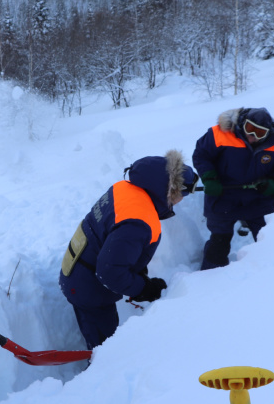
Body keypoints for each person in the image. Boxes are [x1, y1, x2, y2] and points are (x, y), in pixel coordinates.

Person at [59, 150, 198, 350]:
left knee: (97, 336)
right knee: (106, 350)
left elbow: (112, 239)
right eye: (183, 194)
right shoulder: (139, 221)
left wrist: (137, 272)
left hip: (76, 268)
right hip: (88, 289)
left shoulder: (124, 189)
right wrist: (143, 288)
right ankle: (99, 377)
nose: (182, 200)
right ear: (171, 191)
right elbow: (109, 272)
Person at [192, 107, 274, 270]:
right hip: (222, 196)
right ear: (242, 124)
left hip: (258, 199)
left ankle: (273, 273)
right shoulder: (220, 133)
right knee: (219, 241)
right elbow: (201, 155)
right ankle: (209, 279)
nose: (252, 135)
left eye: (259, 132)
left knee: (268, 239)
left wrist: (273, 183)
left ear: (268, 132)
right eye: (249, 128)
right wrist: (209, 178)